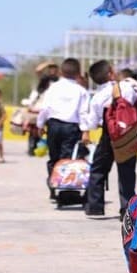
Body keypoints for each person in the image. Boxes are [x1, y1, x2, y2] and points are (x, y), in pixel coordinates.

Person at [84, 61, 137, 219]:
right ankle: (127, 209)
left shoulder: (97, 97)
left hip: (107, 135)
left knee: (98, 169)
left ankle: (95, 206)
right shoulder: (126, 86)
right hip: (126, 134)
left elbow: (92, 122)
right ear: (110, 73)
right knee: (127, 172)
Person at [36, 58, 90, 198]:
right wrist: (85, 131)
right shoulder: (81, 91)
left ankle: (53, 186)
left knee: (54, 157)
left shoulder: (53, 88)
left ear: (61, 71)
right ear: (78, 73)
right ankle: (66, 190)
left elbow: (45, 108)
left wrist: (40, 125)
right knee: (67, 158)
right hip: (71, 128)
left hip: (53, 125)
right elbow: (83, 113)